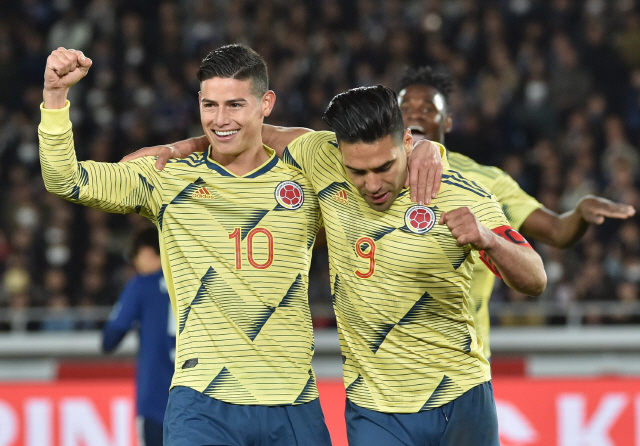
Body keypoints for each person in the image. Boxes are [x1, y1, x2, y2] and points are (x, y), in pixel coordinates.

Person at [128, 85, 547, 445]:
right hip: (375, 410)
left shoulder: (460, 193)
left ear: (406, 142)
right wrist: (180, 147)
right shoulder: (321, 157)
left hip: (461, 395)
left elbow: (535, 278)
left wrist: (489, 239)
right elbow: (244, 133)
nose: (372, 184)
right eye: (358, 171)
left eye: (384, 167)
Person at [39, 44, 333, 446]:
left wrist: (419, 150)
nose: (220, 119)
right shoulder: (166, 176)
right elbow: (67, 180)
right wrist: (55, 97)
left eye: (235, 105)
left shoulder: (305, 177)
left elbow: (365, 160)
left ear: (266, 103)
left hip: (292, 399)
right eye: (210, 105)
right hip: (202, 403)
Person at [397, 66, 636, 359]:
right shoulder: (371, 178)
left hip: (461, 364)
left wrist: (579, 214)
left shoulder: (485, 180)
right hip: (389, 363)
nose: (415, 115)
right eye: (405, 108)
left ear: (447, 121)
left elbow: (557, 231)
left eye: (427, 109)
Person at [102, 227, 174, 446]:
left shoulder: (141, 285)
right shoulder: (193, 283)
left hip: (155, 401)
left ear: (147, 251)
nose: (136, 263)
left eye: (136, 255)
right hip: (197, 401)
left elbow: (110, 338)